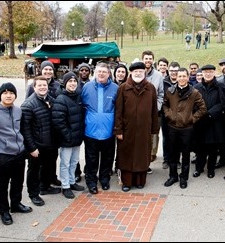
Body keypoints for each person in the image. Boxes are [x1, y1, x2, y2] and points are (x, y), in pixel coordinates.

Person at [0, 82, 32, 226]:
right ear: (0, 95)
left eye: (11, 93)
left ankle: (16, 204)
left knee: (17, 182)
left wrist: (23, 149)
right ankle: (4, 211)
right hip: (2, 156)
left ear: (15, 95)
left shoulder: (17, 111)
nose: (8, 95)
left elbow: (20, 130)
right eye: (5, 93)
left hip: (19, 154)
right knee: (2, 186)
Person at [114, 62, 159, 192]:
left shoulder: (150, 88)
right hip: (127, 130)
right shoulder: (123, 88)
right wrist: (118, 130)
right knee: (126, 156)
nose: (138, 73)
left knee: (142, 156)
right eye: (135, 71)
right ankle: (127, 182)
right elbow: (118, 111)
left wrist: (154, 129)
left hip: (144, 130)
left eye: (140, 71)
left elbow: (154, 110)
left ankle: (140, 181)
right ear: (131, 73)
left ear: (144, 73)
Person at [21, 76, 61, 207]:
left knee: (48, 167)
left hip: (50, 143)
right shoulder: (28, 105)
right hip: (36, 145)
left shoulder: (51, 100)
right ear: (34, 87)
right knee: (33, 170)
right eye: (40, 85)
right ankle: (33, 194)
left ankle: (45, 187)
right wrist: (31, 148)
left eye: (45, 85)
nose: (43, 87)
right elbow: (25, 129)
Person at [163, 67, 206, 189]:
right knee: (173, 154)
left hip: (187, 129)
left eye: (184, 76)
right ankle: (173, 176)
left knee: (185, 154)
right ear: (176, 77)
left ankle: (183, 177)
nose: (181, 78)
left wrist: (192, 118)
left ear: (188, 77)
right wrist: (168, 114)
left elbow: (202, 108)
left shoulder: (194, 92)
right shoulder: (170, 91)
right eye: (179, 76)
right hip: (172, 127)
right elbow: (165, 105)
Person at [82, 63, 119, 194]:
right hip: (90, 131)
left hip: (108, 132)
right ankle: (91, 181)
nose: (101, 74)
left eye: (104, 71)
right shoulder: (86, 87)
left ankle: (104, 179)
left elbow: (119, 109)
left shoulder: (115, 88)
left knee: (107, 158)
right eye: (99, 71)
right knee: (91, 159)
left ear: (109, 74)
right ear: (95, 73)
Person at [25, 60, 61, 187]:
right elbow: (26, 125)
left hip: (50, 136)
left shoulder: (56, 87)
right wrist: (31, 146)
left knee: (50, 161)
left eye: (50, 69)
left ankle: (49, 180)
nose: (48, 71)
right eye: (46, 69)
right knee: (35, 167)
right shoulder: (30, 101)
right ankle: (36, 189)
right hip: (38, 138)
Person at [193, 65, 225, 179]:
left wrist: (210, 113)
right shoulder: (196, 87)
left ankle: (211, 169)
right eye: (205, 72)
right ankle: (199, 168)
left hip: (214, 121)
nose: (208, 74)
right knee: (200, 147)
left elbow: (224, 103)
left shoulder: (220, 86)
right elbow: (193, 104)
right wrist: (199, 114)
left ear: (214, 73)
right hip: (200, 122)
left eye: (210, 72)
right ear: (202, 74)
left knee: (213, 148)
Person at [52, 72, 86, 199]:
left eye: (74, 82)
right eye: (70, 82)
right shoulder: (61, 99)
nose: (72, 84)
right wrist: (68, 136)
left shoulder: (78, 96)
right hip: (67, 139)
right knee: (65, 163)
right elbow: (58, 121)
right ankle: (65, 186)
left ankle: (72, 182)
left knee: (74, 162)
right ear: (65, 83)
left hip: (77, 138)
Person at [142, 50, 164, 173]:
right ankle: (142, 160)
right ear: (142, 60)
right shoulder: (138, 73)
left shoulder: (158, 75)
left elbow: (161, 93)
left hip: (154, 112)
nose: (148, 60)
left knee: (153, 136)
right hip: (140, 113)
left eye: (150, 58)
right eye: (146, 58)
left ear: (153, 60)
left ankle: (150, 158)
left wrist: (157, 107)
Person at [161, 62, 181, 170]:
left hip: (179, 116)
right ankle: (166, 159)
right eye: (172, 70)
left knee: (177, 138)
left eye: (176, 71)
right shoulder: (163, 82)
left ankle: (177, 160)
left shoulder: (182, 82)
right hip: (166, 116)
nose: (174, 73)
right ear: (168, 70)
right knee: (166, 138)